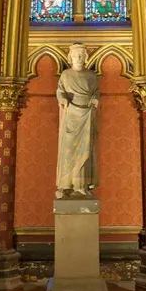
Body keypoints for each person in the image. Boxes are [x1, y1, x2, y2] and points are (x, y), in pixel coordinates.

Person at [55, 43, 99, 198]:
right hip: (71, 117)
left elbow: (95, 93)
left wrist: (94, 99)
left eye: (81, 55)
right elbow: (60, 91)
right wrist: (62, 99)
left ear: (86, 57)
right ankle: (66, 186)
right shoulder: (66, 75)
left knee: (85, 152)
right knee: (69, 152)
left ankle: (81, 186)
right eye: (76, 55)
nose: (79, 58)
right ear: (71, 57)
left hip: (86, 117)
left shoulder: (91, 76)